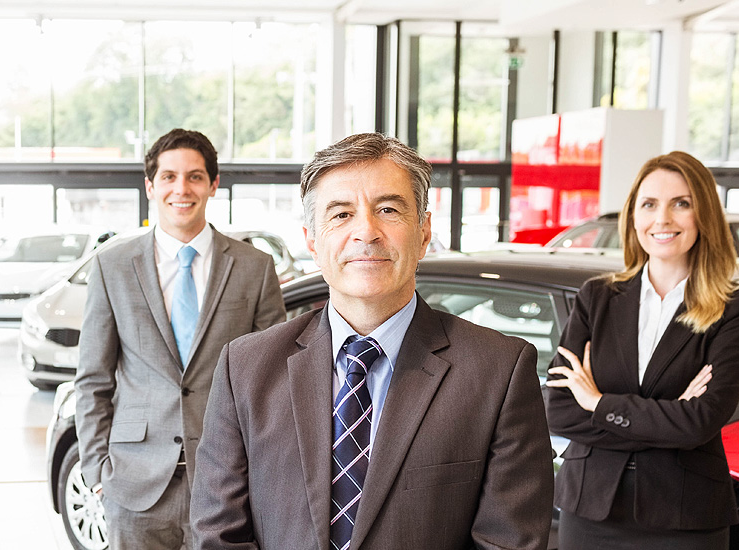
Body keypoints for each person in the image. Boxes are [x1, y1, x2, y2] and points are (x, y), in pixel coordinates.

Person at [190, 132, 554, 550]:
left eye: (388, 209)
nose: (366, 231)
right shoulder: (247, 367)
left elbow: (507, 542)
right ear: (312, 240)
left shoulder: (499, 371)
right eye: (341, 215)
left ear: (423, 232)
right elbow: (219, 535)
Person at [74, 128, 286, 549]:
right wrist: (98, 471)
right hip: (134, 486)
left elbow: (273, 382)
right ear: (150, 186)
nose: (181, 188)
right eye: (169, 177)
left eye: (193, 176)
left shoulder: (254, 267)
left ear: (212, 184)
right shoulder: (111, 266)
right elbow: (93, 380)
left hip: (228, 482)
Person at [545, 150, 739, 549]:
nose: (662, 219)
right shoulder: (598, 297)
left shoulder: (734, 306)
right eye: (649, 204)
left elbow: (701, 422)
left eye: (681, 203)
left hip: (685, 515)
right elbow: (559, 410)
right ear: (634, 216)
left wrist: (598, 402)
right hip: (591, 510)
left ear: (704, 214)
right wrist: (669, 419)